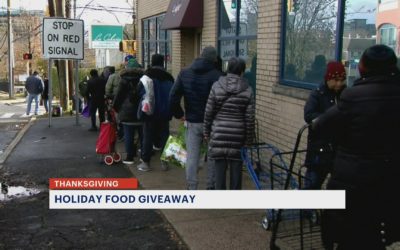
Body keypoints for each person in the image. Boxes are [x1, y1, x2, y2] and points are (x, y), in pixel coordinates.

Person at [313, 45, 400, 249]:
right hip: (390, 179)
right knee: (378, 233)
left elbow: (322, 126)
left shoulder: (353, 96)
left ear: (363, 68)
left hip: (354, 180)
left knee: (351, 234)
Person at [170, 46, 223, 190]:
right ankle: (211, 186)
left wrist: (180, 114)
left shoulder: (184, 73)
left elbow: (173, 97)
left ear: (200, 56)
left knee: (192, 157)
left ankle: (192, 187)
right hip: (213, 122)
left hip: (192, 121)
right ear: (213, 59)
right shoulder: (218, 76)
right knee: (212, 156)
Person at [203, 57, 255, 190]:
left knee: (219, 166)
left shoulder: (216, 86)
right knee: (236, 166)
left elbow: (208, 112)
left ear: (228, 69)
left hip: (219, 132)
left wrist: (206, 132)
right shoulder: (248, 90)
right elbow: (249, 119)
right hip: (238, 134)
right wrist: (248, 140)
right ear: (242, 71)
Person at [303, 61, 346, 190]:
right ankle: (307, 210)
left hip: (338, 151)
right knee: (312, 186)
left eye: (342, 80)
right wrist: (329, 118)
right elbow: (309, 115)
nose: (339, 84)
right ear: (328, 79)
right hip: (319, 151)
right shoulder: (317, 94)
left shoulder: (345, 94)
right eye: (336, 80)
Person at [136, 54, 174, 171]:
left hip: (150, 113)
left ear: (152, 62)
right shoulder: (169, 77)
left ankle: (146, 163)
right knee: (165, 137)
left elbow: (138, 93)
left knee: (148, 137)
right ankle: (165, 163)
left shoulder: (147, 77)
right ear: (162, 63)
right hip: (165, 112)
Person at [112, 58, 143, 164]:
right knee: (142, 134)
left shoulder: (123, 80)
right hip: (141, 112)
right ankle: (143, 155)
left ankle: (130, 157)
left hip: (126, 112)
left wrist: (115, 108)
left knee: (128, 134)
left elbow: (118, 97)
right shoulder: (143, 79)